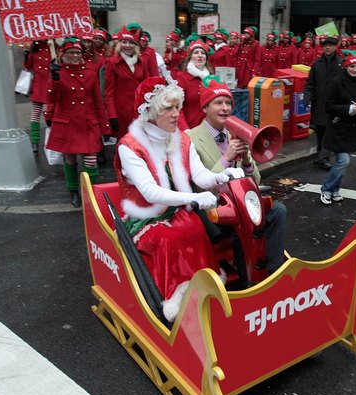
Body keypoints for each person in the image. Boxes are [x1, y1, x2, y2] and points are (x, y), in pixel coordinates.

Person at [115, 76, 245, 322]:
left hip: (176, 212)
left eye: (177, 107)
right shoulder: (129, 146)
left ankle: (204, 289)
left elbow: (200, 175)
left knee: (194, 227)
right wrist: (194, 197)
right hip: (146, 217)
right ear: (151, 112)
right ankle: (174, 300)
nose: (176, 114)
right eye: (168, 108)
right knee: (169, 237)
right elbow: (149, 191)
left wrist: (223, 175)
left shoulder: (182, 138)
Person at [187, 77, 288, 279]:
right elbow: (198, 188)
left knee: (278, 211)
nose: (225, 108)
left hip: (242, 202)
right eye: (218, 103)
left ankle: (273, 271)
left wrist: (247, 162)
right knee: (241, 225)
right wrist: (226, 159)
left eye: (228, 103)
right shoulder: (190, 137)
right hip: (214, 207)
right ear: (205, 108)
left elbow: (255, 182)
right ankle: (248, 280)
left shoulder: (235, 134)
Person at [44, 38, 110, 207]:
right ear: (63, 54)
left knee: (90, 162)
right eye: (71, 52)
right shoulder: (57, 72)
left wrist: (105, 126)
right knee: (70, 160)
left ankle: (93, 194)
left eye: (78, 52)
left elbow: (98, 102)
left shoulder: (89, 74)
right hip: (67, 123)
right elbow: (51, 98)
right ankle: (73, 190)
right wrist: (54, 79)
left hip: (88, 123)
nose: (75, 55)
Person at [319, 53, 356, 204]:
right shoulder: (336, 82)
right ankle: (327, 188)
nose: (354, 70)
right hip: (337, 126)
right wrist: (349, 108)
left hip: (350, 128)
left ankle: (334, 189)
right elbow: (328, 106)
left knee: (343, 161)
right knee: (344, 160)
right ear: (346, 66)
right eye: (352, 66)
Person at [104, 26, 152, 138]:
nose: (127, 45)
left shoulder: (142, 62)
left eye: (130, 42)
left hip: (140, 111)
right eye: (124, 42)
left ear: (135, 45)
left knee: (141, 143)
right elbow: (109, 92)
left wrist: (150, 108)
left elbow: (148, 87)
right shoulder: (113, 63)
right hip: (121, 113)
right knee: (124, 143)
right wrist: (112, 115)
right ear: (119, 44)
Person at [304, 36, 343, 170]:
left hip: (333, 104)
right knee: (320, 130)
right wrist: (307, 97)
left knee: (329, 130)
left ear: (335, 47)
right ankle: (320, 155)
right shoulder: (317, 63)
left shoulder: (340, 63)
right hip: (319, 103)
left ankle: (324, 157)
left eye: (330, 45)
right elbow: (310, 83)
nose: (327, 47)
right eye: (325, 45)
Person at [171, 40, 213, 129]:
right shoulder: (182, 78)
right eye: (196, 53)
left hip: (209, 129)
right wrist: (186, 130)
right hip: (190, 129)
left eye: (203, 53)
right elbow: (177, 107)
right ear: (190, 57)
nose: (200, 55)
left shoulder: (211, 78)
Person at [23, 40, 51, 153]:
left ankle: (55, 141)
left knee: (52, 114)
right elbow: (28, 66)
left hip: (51, 85)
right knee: (35, 114)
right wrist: (26, 56)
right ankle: (35, 141)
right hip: (38, 85)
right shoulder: (33, 49)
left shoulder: (53, 47)